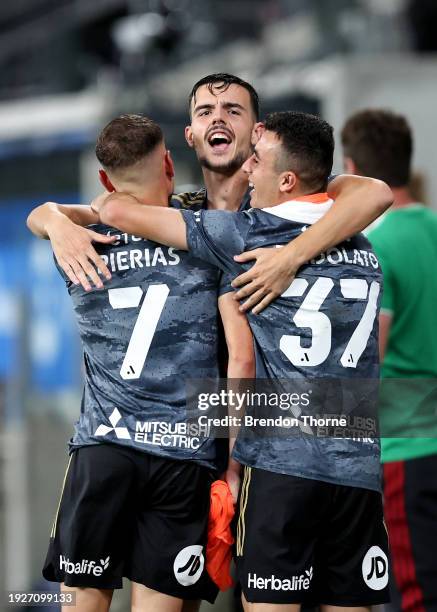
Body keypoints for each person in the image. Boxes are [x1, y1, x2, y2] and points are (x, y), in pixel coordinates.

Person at [91, 111, 391, 612]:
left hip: (282, 470)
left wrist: (58, 218)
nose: (247, 169)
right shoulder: (361, 242)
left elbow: (116, 213)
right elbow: (371, 191)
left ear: (288, 179)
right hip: (357, 471)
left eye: (257, 159)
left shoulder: (246, 236)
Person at [27, 114, 255, 612]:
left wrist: (51, 220)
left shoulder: (77, 244)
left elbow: (47, 215)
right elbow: (241, 353)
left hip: (103, 451)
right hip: (183, 456)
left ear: (106, 181)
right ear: (170, 163)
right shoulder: (206, 237)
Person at [33, 74, 392, 313]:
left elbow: (374, 193)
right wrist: (54, 222)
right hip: (198, 410)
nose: (218, 118)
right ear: (191, 135)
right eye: (205, 112)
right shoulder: (176, 210)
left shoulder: (291, 196)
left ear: (257, 131)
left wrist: (290, 257)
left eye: (232, 110)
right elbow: (79, 211)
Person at [341, 108, 437, 612]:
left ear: (355, 169)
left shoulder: (379, 247)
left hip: (404, 445)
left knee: (413, 594)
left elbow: (368, 357)